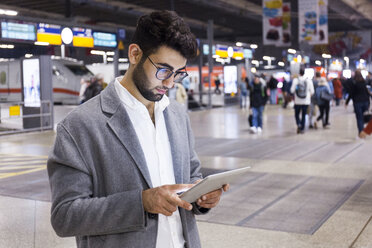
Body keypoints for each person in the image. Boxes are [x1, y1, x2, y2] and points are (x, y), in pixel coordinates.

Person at [47, 10, 228, 248]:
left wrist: (201, 197)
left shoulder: (176, 115)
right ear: (135, 54)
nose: (170, 83)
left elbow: (191, 177)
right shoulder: (80, 126)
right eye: (163, 70)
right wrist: (142, 202)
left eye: (178, 74)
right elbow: (65, 216)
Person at [345, 69, 372, 135]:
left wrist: (347, 102)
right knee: (365, 116)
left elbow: (351, 94)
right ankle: (365, 131)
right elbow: (368, 93)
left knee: (359, 117)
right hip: (365, 102)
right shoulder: (365, 83)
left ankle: (361, 131)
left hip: (357, 103)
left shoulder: (354, 84)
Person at [290, 68, 314, 134]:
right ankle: (302, 128)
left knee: (296, 114)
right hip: (306, 101)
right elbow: (312, 91)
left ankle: (298, 124)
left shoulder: (295, 80)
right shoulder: (308, 80)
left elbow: (292, 90)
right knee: (304, 115)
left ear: (299, 73)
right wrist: (308, 96)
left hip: (297, 101)